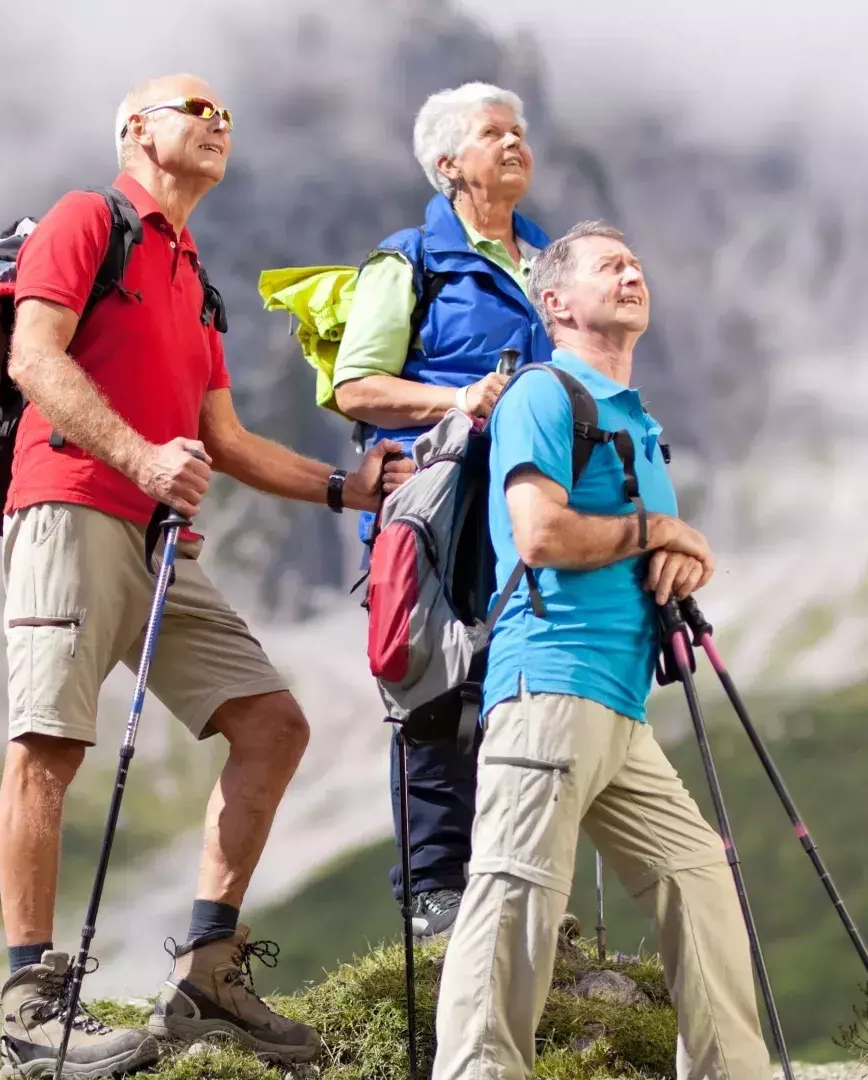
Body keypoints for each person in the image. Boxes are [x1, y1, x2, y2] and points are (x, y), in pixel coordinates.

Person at [0, 73, 414, 1078]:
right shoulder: (88, 219)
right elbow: (33, 358)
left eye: (227, 113)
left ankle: (207, 977)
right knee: (48, 742)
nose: (218, 122)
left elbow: (222, 436)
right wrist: (139, 457)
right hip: (70, 506)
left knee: (273, 724)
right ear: (134, 128)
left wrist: (343, 491)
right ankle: (29, 1010)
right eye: (195, 108)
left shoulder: (194, 273)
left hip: (155, 539)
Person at [432, 222, 772, 1079]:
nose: (632, 272)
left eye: (636, 262)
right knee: (513, 901)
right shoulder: (545, 394)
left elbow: (643, 548)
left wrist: (676, 554)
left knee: (698, 881)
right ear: (555, 302)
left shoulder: (638, 424)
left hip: (619, 706)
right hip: (546, 679)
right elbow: (540, 534)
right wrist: (658, 527)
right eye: (609, 265)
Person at [332, 82, 550, 937]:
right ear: (449, 164)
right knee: (434, 686)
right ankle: (433, 890)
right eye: (495, 133)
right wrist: (461, 399)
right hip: (441, 503)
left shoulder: (550, 261)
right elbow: (358, 386)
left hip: (533, 503)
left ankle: (514, 884)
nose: (516, 143)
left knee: (521, 684)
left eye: (521, 132)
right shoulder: (408, 258)